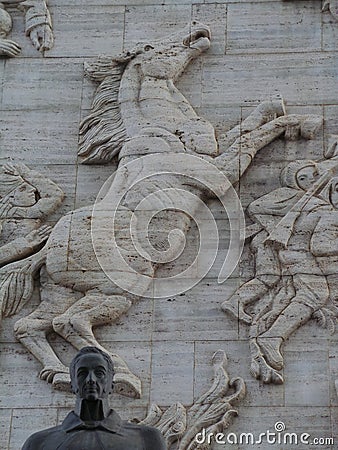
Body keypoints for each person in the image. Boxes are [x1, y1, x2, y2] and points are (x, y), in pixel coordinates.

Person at [21, 347, 167, 450]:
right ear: (72, 384)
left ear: (111, 384)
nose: (91, 379)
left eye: (99, 373)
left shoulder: (146, 438)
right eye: (82, 373)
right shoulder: (39, 443)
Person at [0, 162, 64, 268]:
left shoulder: (29, 212)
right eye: (23, 189)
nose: (33, 189)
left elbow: (55, 195)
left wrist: (25, 172)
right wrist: (24, 244)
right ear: (9, 197)